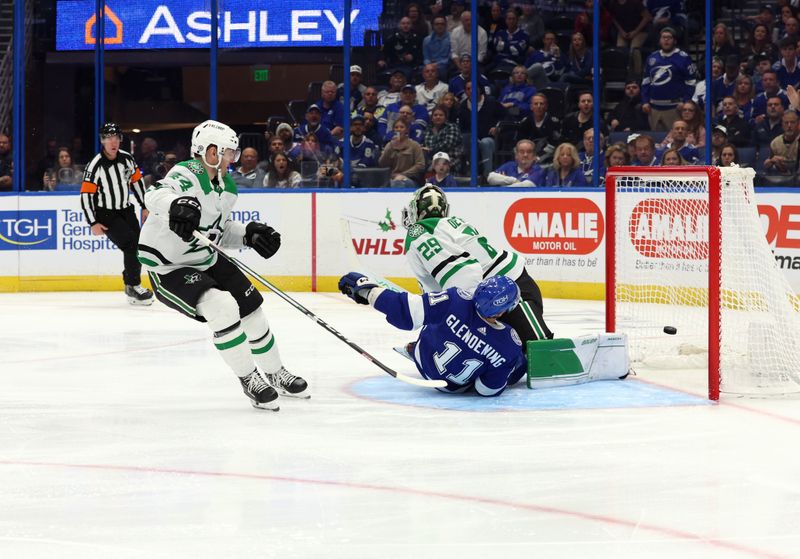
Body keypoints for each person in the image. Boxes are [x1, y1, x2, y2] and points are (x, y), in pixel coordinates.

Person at [137, 119, 309, 410]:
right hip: (169, 267)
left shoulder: (227, 186)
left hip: (206, 257)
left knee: (252, 311)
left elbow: (219, 231)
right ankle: (249, 378)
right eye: (230, 152)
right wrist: (177, 204)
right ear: (210, 152)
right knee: (222, 308)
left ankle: (275, 371)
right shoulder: (187, 172)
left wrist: (249, 235)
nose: (234, 158)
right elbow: (154, 194)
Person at [400, 184, 552, 343]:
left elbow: (464, 278)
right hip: (513, 285)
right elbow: (440, 294)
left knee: (539, 350)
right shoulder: (451, 224)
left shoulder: (418, 233)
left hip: (504, 294)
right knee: (516, 353)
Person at [338, 273, 528, 396]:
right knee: (513, 361)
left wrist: (368, 291)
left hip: (422, 356)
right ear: (503, 310)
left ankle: (416, 348)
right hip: (450, 386)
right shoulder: (509, 344)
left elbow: (405, 309)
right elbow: (486, 390)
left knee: (434, 315)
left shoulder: (455, 300)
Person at [81, 123, 154, 305]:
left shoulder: (127, 159)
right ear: (102, 141)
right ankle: (133, 285)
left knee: (138, 246)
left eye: (116, 138)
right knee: (131, 245)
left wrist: (145, 205)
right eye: (108, 138)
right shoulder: (95, 165)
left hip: (126, 210)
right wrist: (92, 222)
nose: (113, 142)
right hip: (106, 214)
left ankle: (130, 281)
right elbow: (86, 196)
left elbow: (136, 182)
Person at [641, 27, 697, 131]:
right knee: (657, 141)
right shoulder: (652, 57)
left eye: (669, 38)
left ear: (675, 41)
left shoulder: (683, 58)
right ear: (659, 40)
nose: (666, 40)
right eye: (663, 37)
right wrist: (645, 101)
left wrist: (685, 101)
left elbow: (691, 82)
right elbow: (646, 81)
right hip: (653, 108)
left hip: (674, 108)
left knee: (674, 140)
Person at [378, 119, 426, 187]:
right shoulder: (390, 145)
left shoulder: (414, 145)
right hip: (392, 178)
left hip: (411, 178)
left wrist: (403, 174)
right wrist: (389, 147)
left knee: (398, 183)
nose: (399, 129)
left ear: (406, 130)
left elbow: (420, 165)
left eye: (401, 127)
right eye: (396, 127)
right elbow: (382, 164)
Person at [422, 105, 462, 170]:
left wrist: (430, 149)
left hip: (450, 160)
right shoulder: (428, 129)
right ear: (431, 118)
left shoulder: (452, 127)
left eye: (441, 115)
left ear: (446, 118)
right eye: (435, 115)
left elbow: (447, 145)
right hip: (431, 161)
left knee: (433, 167)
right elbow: (424, 145)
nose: (438, 117)